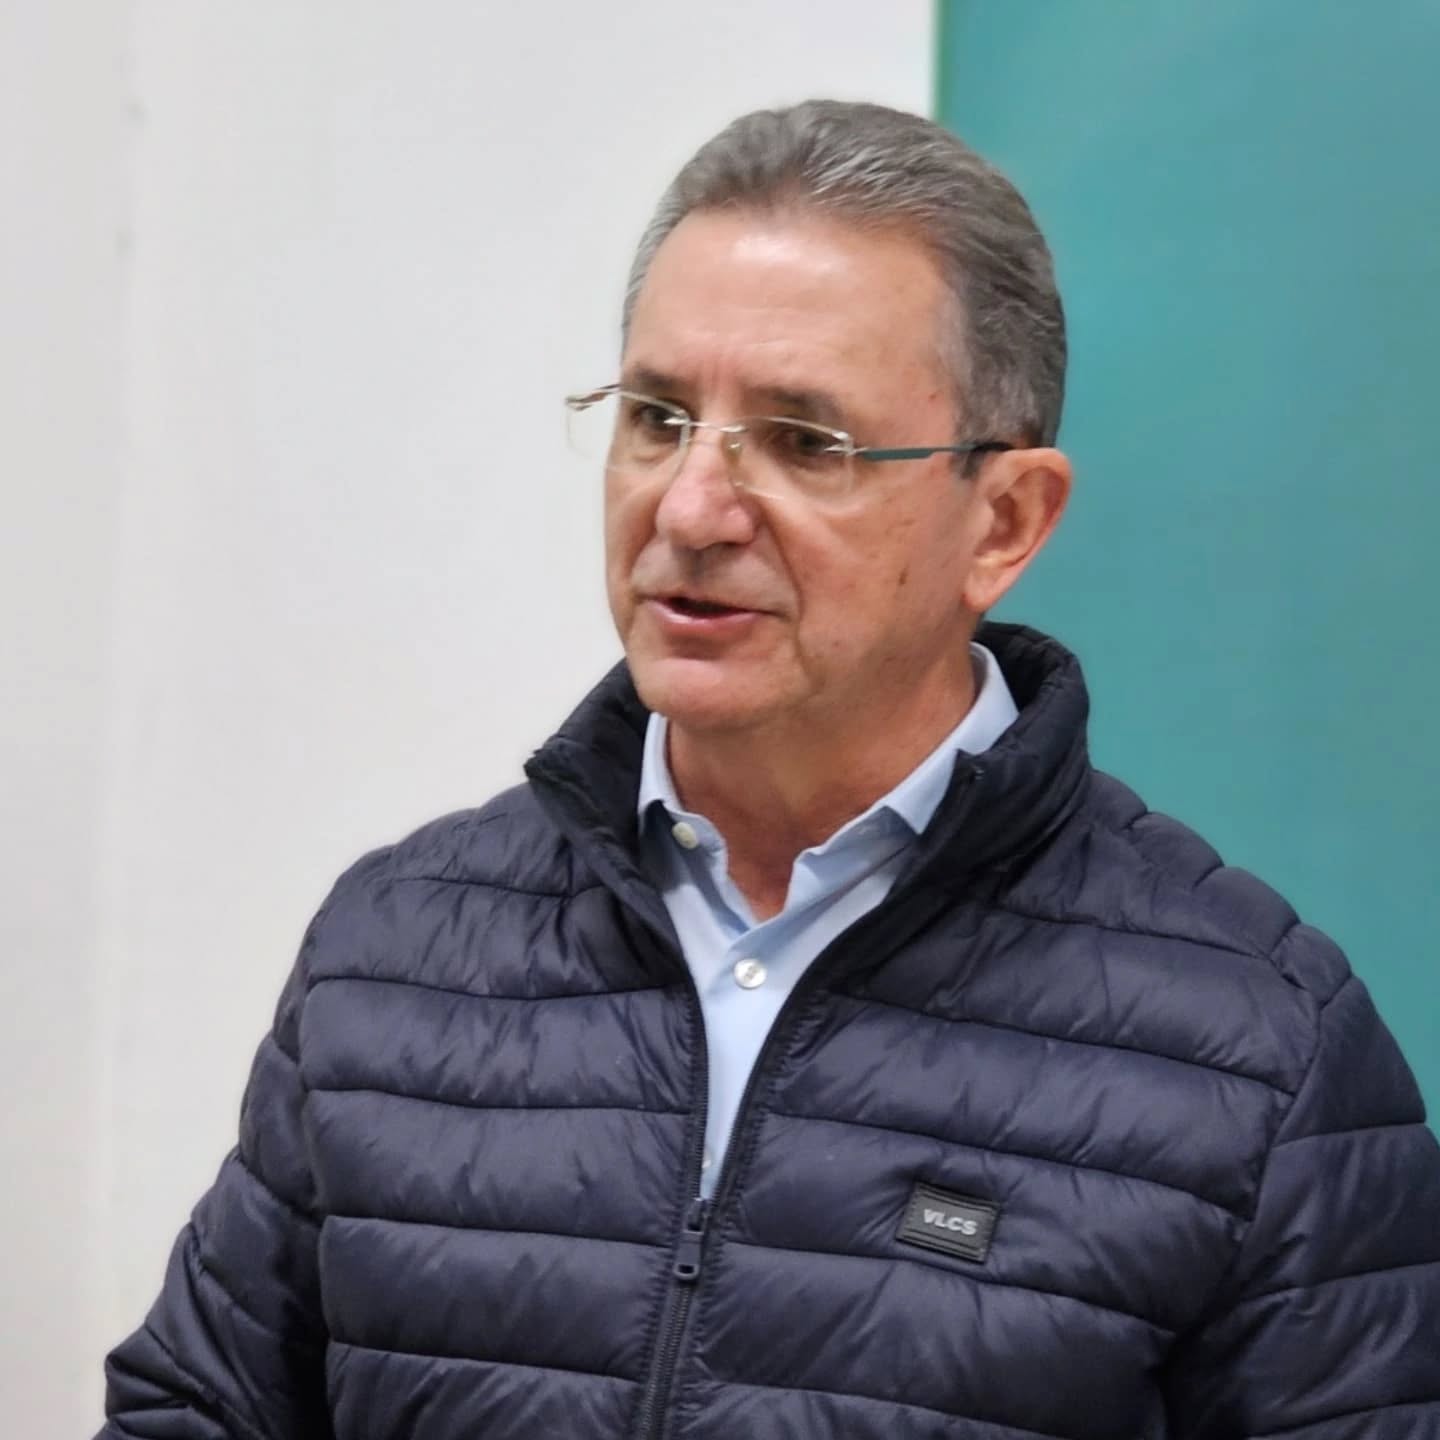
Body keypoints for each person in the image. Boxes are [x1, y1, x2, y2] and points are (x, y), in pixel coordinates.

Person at [100, 99, 1439, 1440]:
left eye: (806, 442)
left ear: (1004, 521)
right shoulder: (395, 955)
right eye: (656, 416)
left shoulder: (1257, 1054)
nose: (690, 508)